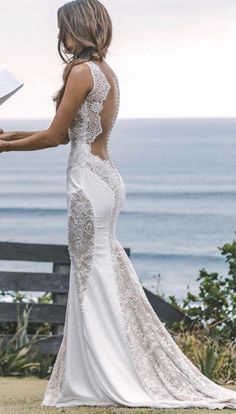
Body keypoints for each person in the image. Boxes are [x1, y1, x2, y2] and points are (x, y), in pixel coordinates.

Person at [1, 0, 236, 409]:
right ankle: (100, 370)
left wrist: (4, 149)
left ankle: (106, 373)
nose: (60, 37)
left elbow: (57, 137)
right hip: (104, 178)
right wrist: (8, 138)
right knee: (100, 273)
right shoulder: (105, 72)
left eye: (63, 28)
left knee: (92, 276)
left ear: (76, 29)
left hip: (88, 184)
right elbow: (66, 131)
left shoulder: (79, 71)